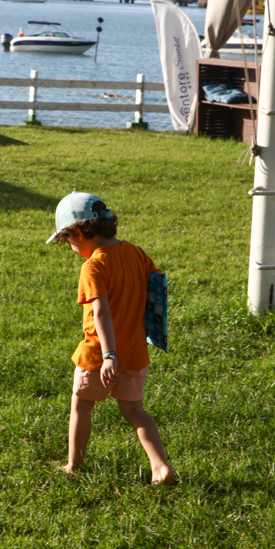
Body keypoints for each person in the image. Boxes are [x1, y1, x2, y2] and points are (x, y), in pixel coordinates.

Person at [46, 192, 174, 486]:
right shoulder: (136, 253)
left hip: (98, 355)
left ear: (79, 232)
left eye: (68, 240)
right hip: (135, 351)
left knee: (81, 406)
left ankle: (73, 466)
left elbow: (101, 311)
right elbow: (156, 289)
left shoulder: (93, 266)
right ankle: (160, 466)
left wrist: (108, 356)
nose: (70, 247)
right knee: (135, 411)